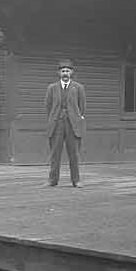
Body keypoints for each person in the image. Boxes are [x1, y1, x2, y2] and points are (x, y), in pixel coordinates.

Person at [44, 59, 86, 187]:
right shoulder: (52, 88)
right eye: (63, 71)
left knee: (74, 154)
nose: (65, 73)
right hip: (56, 125)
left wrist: (76, 118)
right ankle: (52, 180)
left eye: (67, 71)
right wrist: (53, 118)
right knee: (55, 154)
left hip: (72, 125)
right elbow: (48, 106)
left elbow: (82, 106)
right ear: (59, 73)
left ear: (71, 72)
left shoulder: (78, 88)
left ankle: (76, 181)